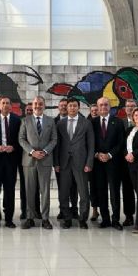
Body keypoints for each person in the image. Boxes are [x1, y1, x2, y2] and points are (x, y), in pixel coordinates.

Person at [54, 98, 94, 229]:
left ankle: (82, 218)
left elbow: (91, 145)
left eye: (74, 106)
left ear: (78, 107)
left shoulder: (86, 123)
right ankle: (67, 218)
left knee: (83, 192)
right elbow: (57, 145)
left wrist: (89, 162)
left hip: (81, 163)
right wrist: (56, 163)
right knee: (63, 193)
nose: (72, 108)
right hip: (64, 163)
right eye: (70, 106)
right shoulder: (60, 123)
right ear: (67, 108)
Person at [19, 96, 57, 230]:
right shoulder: (25, 120)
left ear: (44, 106)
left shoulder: (50, 121)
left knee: (45, 191)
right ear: (32, 105)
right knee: (29, 190)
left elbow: (54, 140)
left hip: (45, 160)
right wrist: (32, 152)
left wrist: (45, 152)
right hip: (29, 161)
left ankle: (45, 218)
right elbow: (21, 139)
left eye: (40, 104)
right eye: (35, 104)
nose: (37, 106)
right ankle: (30, 218)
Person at [91, 97, 125, 230]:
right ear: (98, 107)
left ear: (110, 107)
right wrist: (97, 154)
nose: (103, 107)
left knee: (115, 192)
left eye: (106, 105)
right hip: (98, 163)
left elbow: (121, 142)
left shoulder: (117, 122)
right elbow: (89, 142)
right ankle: (105, 219)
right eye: (101, 105)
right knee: (101, 191)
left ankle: (115, 219)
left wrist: (109, 155)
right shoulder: (92, 123)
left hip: (113, 162)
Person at [0, 96, 21, 228]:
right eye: (3, 103)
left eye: (8, 103)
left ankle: (9, 219)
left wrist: (13, 147)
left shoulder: (17, 120)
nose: (5, 105)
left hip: (11, 160)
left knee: (9, 190)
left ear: (11, 106)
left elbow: (21, 139)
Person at [120, 98, 137, 226]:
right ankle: (129, 216)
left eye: (132, 106)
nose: (130, 108)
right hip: (125, 163)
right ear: (125, 108)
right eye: (128, 106)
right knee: (127, 191)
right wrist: (126, 155)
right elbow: (120, 143)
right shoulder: (121, 123)